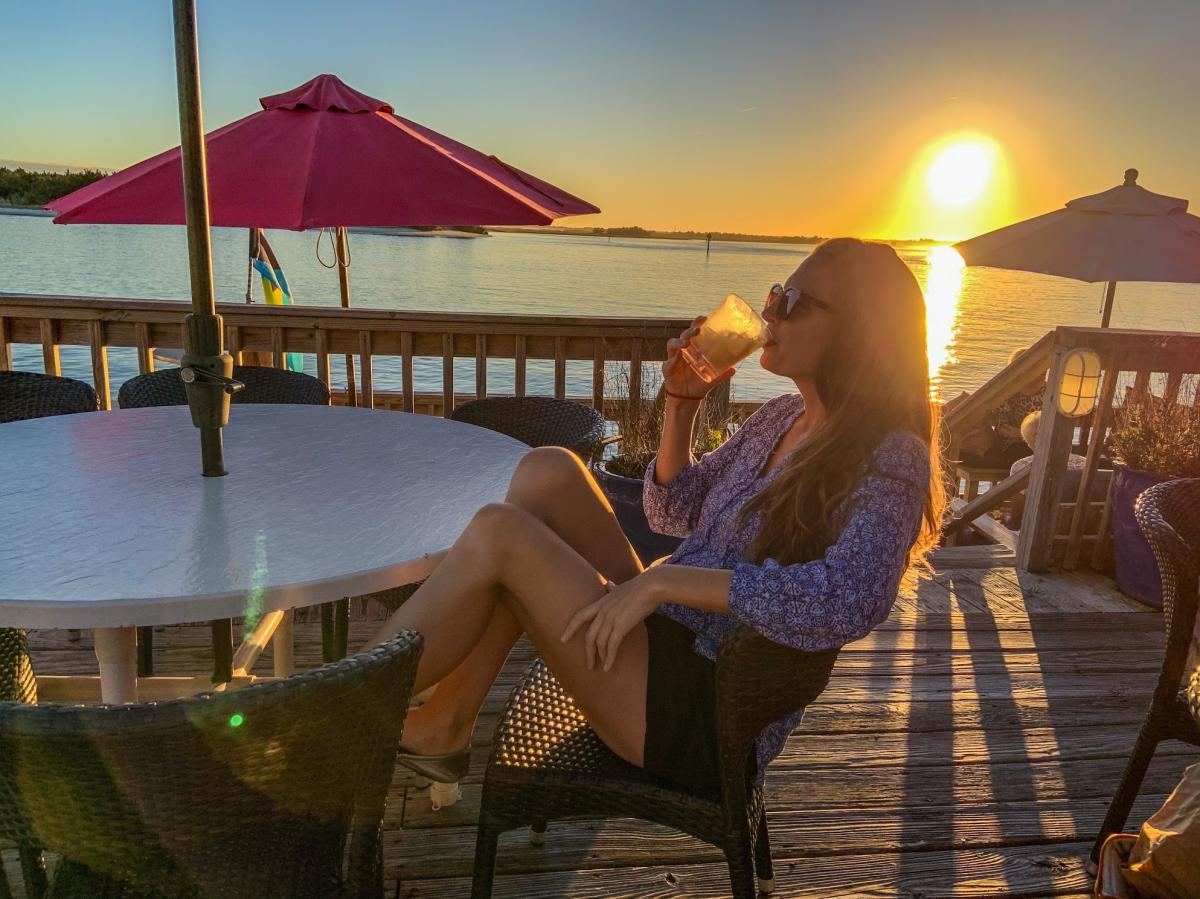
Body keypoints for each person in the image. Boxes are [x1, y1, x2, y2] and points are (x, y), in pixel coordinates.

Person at [368, 238, 945, 795]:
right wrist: (681, 404)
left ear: (859, 335)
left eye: (791, 303)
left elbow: (850, 599)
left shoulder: (889, 456)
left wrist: (666, 579)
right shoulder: (780, 416)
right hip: (666, 633)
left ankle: (343, 707)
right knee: (550, 470)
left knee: (502, 533)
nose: (770, 311)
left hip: (704, 707)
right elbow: (673, 511)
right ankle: (444, 720)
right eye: (774, 293)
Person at [957, 347, 1046, 470]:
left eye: (1043, 369)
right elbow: (1000, 424)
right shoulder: (1008, 392)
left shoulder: (1050, 393)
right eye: (1037, 369)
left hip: (1037, 445)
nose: (1042, 374)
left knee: (1022, 455)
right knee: (1012, 453)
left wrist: (1021, 434)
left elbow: (1050, 428)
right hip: (1008, 445)